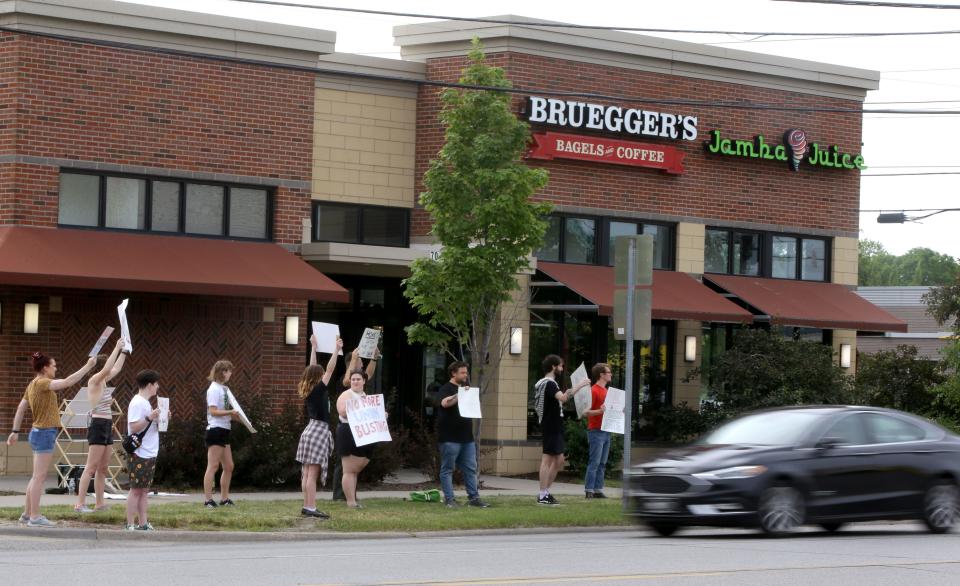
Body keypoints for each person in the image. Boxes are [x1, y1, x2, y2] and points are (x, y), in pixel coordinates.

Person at [7, 351, 97, 527]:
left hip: (37, 432)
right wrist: (88, 366)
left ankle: (27, 514)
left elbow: (20, 408)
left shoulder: (32, 384)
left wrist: (15, 431)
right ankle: (34, 516)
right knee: (39, 478)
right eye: (54, 365)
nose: (56, 368)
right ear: (45, 368)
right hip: (44, 433)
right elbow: (68, 382)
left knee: (35, 477)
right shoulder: (42, 383)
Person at [74, 338, 128, 513]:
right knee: (91, 467)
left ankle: (99, 503)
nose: (109, 370)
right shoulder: (95, 380)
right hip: (98, 424)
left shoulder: (104, 381)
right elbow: (107, 369)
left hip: (107, 424)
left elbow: (117, 368)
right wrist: (117, 346)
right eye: (107, 367)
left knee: (103, 468)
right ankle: (80, 504)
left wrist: (125, 351)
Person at [296, 334, 342, 519]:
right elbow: (330, 369)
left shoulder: (309, 387)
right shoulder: (318, 389)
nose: (324, 375)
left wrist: (314, 348)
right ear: (318, 376)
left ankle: (307, 506)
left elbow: (312, 368)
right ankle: (311, 508)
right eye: (321, 374)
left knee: (306, 473)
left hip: (310, 430)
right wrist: (336, 350)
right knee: (312, 474)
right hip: (318, 431)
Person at [533, 354, 589, 505]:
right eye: (560, 366)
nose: (562, 368)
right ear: (553, 366)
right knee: (547, 459)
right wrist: (581, 385)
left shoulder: (548, 383)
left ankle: (545, 492)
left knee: (559, 459)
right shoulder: (549, 383)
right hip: (551, 425)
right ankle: (542, 495)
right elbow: (564, 398)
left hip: (554, 425)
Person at [436, 361, 489, 509]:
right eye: (463, 373)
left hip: (466, 438)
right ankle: (449, 499)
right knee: (447, 469)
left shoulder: (467, 390)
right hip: (449, 437)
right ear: (454, 373)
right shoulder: (445, 388)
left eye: (466, 372)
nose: (466, 375)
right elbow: (444, 403)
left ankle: (474, 498)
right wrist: (459, 395)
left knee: (470, 468)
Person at [331, 345, 378, 502]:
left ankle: (350, 494)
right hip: (346, 429)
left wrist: (374, 358)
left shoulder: (360, 383)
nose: (362, 365)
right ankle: (339, 495)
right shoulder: (346, 382)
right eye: (360, 362)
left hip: (357, 429)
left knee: (353, 467)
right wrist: (354, 357)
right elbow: (348, 377)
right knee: (344, 465)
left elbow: (368, 374)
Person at [125, 369, 161, 531]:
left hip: (149, 451)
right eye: (156, 384)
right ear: (149, 385)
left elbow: (149, 426)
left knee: (144, 490)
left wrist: (161, 419)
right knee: (136, 490)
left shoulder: (145, 403)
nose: (157, 387)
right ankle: (130, 523)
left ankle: (143, 523)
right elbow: (133, 427)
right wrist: (149, 417)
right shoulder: (137, 402)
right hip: (139, 452)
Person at [202, 360, 237, 508]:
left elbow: (231, 412)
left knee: (229, 466)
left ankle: (224, 499)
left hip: (224, 430)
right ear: (222, 372)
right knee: (213, 466)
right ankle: (208, 500)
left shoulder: (224, 389)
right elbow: (213, 411)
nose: (230, 374)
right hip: (215, 430)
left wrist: (245, 421)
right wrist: (230, 412)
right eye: (228, 371)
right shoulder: (214, 390)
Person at [583, 363, 613, 499]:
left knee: (602, 463)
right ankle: (589, 490)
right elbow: (585, 412)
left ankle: (598, 489)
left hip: (606, 430)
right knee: (594, 462)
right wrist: (600, 411)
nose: (610, 374)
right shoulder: (593, 390)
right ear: (601, 374)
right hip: (596, 431)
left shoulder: (607, 391)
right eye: (608, 372)